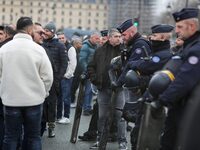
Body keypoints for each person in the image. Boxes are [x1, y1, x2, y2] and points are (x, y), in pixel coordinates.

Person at [0, 17, 53, 150]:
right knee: (33, 137)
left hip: (11, 100)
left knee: (10, 137)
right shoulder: (39, 50)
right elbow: (48, 77)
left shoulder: (4, 49)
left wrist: (4, 91)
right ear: (30, 29)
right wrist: (43, 93)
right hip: (33, 101)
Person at [154, 8, 200, 150]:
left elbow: (184, 80)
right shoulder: (188, 46)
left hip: (189, 109)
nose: (176, 31)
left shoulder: (196, 49)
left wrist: (162, 100)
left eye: (180, 27)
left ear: (192, 26)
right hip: (180, 106)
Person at [125, 24, 173, 150]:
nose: (151, 38)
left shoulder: (163, 55)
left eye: (155, 35)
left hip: (154, 97)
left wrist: (133, 64)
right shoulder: (157, 53)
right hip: (149, 95)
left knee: (144, 135)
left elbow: (146, 65)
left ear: (163, 38)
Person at [88, 28, 128, 150]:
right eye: (115, 36)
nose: (118, 38)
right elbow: (91, 66)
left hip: (119, 89)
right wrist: (95, 79)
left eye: (119, 36)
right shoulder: (99, 50)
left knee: (120, 115)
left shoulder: (124, 51)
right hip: (103, 88)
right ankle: (100, 140)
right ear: (109, 38)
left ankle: (122, 141)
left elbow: (129, 68)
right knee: (102, 116)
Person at [42, 22, 68, 125]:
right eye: (45, 30)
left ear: (53, 32)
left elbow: (64, 64)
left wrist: (58, 78)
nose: (45, 32)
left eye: (47, 31)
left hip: (54, 80)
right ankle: (42, 125)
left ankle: (51, 126)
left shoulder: (60, 46)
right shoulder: (41, 44)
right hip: (42, 79)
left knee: (52, 103)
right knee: (42, 104)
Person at [115, 19, 151, 88]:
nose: (122, 38)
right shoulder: (133, 44)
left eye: (124, 35)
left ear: (132, 33)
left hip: (139, 87)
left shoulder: (139, 44)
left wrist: (118, 84)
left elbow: (130, 66)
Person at [57, 32, 77, 124]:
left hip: (66, 77)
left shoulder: (70, 48)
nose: (61, 40)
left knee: (66, 97)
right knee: (59, 98)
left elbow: (73, 63)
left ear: (66, 38)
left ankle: (66, 116)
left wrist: (67, 75)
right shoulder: (58, 47)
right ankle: (59, 116)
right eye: (59, 38)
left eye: (62, 38)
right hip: (60, 76)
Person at [79, 32, 100, 115]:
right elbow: (82, 60)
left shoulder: (95, 46)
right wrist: (87, 71)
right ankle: (86, 108)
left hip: (92, 72)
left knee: (91, 91)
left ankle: (88, 107)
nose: (98, 40)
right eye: (96, 38)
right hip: (88, 72)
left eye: (98, 38)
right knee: (88, 91)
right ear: (91, 38)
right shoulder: (86, 46)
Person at [70, 36, 83, 107]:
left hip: (78, 72)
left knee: (75, 87)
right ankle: (71, 101)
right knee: (73, 87)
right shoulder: (73, 51)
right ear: (76, 43)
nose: (81, 45)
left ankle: (72, 100)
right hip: (74, 72)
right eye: (80, 43)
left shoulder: (79, 50)